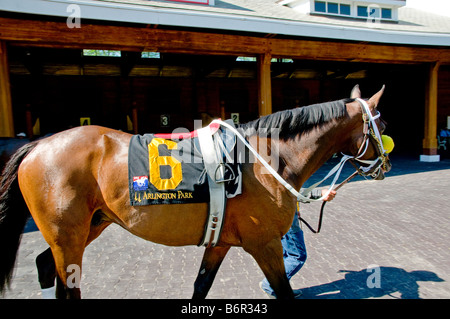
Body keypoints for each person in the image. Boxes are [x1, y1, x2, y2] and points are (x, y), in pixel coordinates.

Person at [260, 188, 337, 299]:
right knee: (297, 256)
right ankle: (270, 285)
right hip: (285, 219)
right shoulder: (272, 170)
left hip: (279, 216)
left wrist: (296, 207)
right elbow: (284, 189)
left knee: (284, 256)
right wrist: (318, 193)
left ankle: (281, 287)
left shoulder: (266, 170)